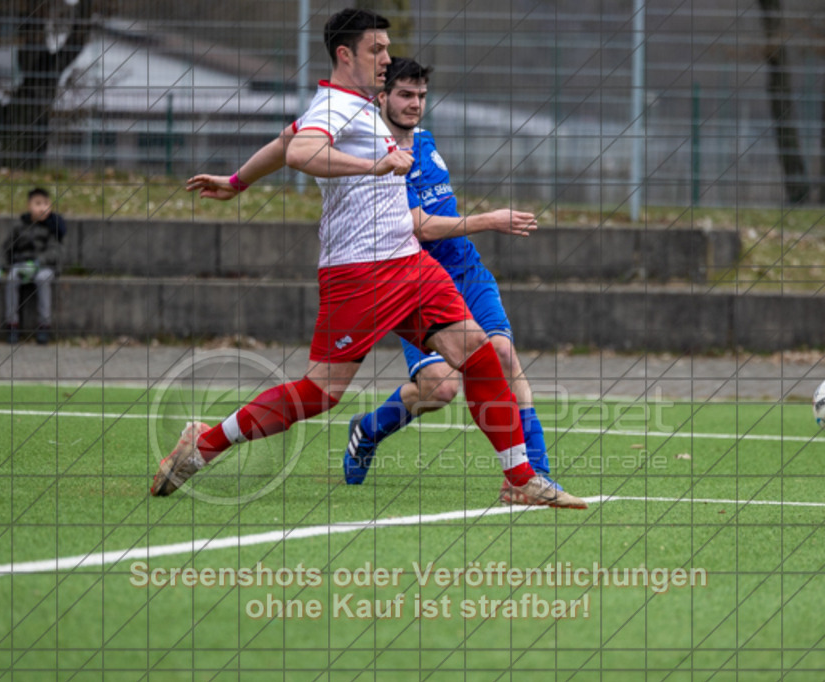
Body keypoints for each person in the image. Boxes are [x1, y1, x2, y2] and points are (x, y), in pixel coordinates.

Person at [158, 8, 585, 509]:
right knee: (320, 393)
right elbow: (302, 152)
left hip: (409, 263)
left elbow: (283, 142)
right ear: (346, 54)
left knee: (481, 353)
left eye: (386, 48)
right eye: (376, 50)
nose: (386, 58)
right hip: (360, 273)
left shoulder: (358, 105)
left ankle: (520, 479)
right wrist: (376, 164)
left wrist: (236, 182)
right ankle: (204, 443)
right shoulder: (334, 107)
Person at [339, 57, 564, 506]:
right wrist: (489, 219)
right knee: (440, 388)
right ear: (381, 97)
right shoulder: (370, 160)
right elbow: (417, 226)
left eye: (421, 96)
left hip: (466, 273)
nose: (414, 104)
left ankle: (533, 474)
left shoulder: (425, 142)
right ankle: (368, 429)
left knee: (502, 353)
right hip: (415, 282)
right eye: (404, 94)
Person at [0, 187, 65, 345]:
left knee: (42, 279)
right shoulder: (19, 226)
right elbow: (6, 249)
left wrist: (37, 263)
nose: (42, 207)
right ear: (29, 205)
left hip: (45, 266)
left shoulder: (54, 226)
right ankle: (12, 325)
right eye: (38, 203)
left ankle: (44, 326)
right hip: (21, 265)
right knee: (12, 278)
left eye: (46, 203)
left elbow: (55, 251)